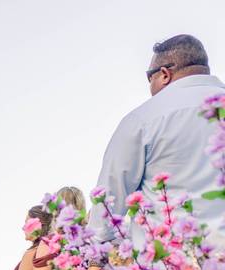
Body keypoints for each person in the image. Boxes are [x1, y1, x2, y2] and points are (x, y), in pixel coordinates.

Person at [90, 34, 225, 257]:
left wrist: (96, 255)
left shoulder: (143, 119)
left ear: (164, 74)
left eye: (149, 78)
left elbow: (108, 201)